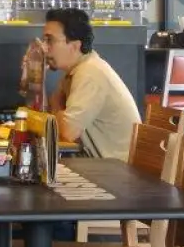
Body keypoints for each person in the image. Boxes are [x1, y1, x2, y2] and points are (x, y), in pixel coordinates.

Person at [43, 8, 140, 160]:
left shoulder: (89, 73)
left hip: (118, 173)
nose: (44, 48)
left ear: (75, 45)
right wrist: (34, 77)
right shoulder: (75, 71)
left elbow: (67, 132)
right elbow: (52, 113)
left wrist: (57, 112)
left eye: (50, 40)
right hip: (100, 165)